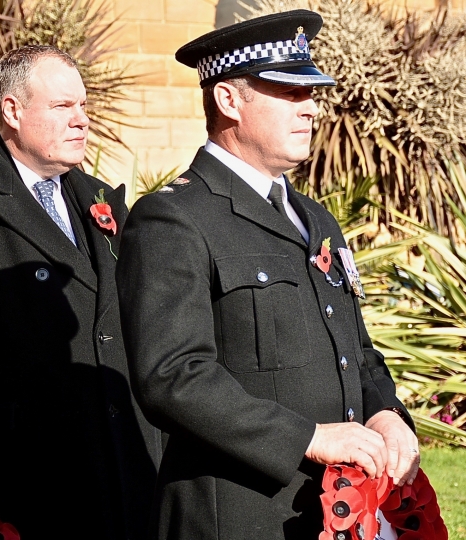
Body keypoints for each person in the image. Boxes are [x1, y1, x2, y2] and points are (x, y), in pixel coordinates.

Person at [115, 10, 419, 540]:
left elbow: (356, 349)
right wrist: (309, 438)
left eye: (311, 94)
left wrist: (387, 412)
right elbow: (172, 375)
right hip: (239, 515)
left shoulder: (314, 218)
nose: (311, 109)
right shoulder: (174, 217)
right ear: (229, 100)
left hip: (341, 511)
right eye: (289, 93)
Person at [0, 45, 161, 540]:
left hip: (127, 475)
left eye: (83, 105)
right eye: (63, 107)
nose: (81, 120)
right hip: (23, 487)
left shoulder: (103, 201)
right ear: (12, 111)